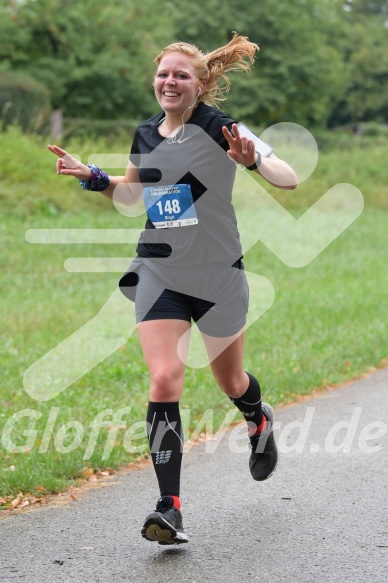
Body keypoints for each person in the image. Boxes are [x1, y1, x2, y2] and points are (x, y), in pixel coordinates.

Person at [48, 33, 297, 546]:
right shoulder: (145, 133)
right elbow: (136, 194)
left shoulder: (221, 126)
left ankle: (257, 417)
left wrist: (251, 161)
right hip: (159, 268)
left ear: (201, 84)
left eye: (182, 74)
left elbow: (286, 176)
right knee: (164, 380)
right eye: (164, 73)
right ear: (154, 81)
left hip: (218, 274)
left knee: (232, 382)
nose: (170, 81)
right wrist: (94, 177)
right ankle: (170, 507)